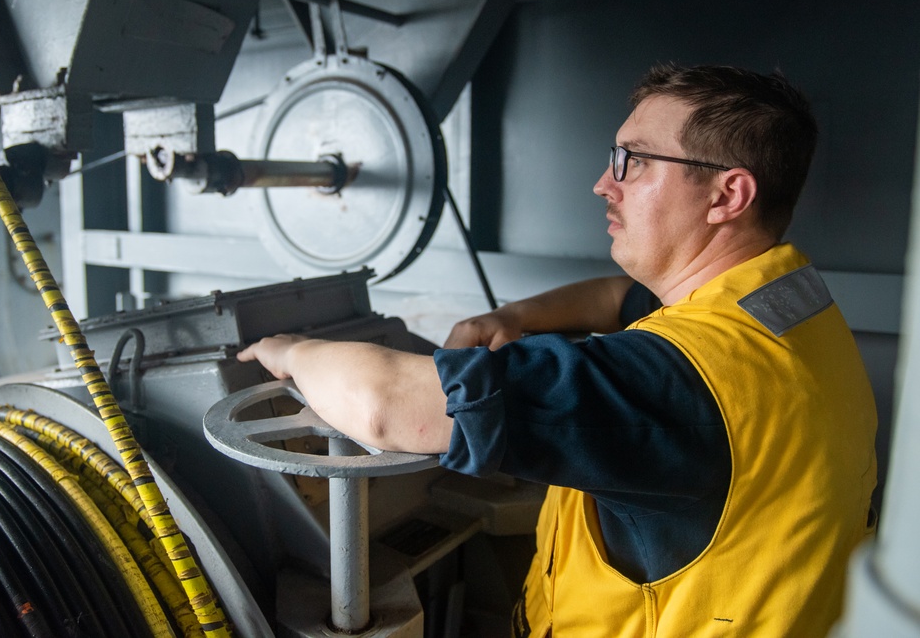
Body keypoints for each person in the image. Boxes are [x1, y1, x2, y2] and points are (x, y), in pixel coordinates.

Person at [239, 63, 878, 637]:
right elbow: (615, 297)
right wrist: (511, 316)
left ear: (726, 195)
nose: (605, 183)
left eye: (635, 160)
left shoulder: (672, 382)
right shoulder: (784, 304)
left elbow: (387, 406)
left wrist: (291, 350)